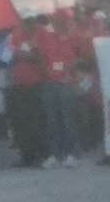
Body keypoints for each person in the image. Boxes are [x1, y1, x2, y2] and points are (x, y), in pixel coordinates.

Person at [39, 11, 81, 169]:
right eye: (55, 20)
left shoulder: (73, 38)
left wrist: (64, 68)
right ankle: (56, 154)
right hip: (50, 83)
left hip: (66, 84)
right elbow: (44, 58)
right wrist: (50, 70)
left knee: (68, 120)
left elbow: (76, 60)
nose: (57, 22)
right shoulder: (48, 38)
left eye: (60, 20)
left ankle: (72, 153)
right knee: (52, 121)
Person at [8, 17, 49, 167]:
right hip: (20, 86)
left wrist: (30, 55)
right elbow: (13, 54)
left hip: (38, 85)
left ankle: (42, 155)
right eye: (26, 21)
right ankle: (27, 156)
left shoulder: (43, 33)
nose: (29, 23)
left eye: (31, 20)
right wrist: (30, 55)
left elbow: (44, 56)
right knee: (23, 123)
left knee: (39, 122)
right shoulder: (16, 35)